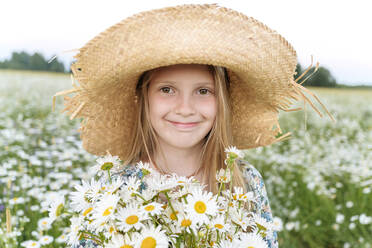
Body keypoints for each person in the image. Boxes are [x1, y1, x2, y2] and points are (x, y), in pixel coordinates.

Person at [55, 3, 330, 248]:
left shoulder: (245, 183)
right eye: (166, 90)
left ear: (222, 102)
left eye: (203, 91)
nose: (185, 109)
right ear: (142, 99)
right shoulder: (114, 188)